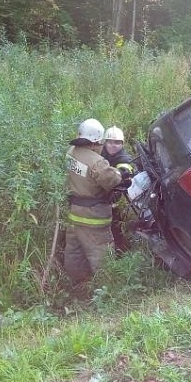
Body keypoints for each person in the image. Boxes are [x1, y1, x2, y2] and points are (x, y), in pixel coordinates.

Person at [63, 118, 129, 286]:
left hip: (74, 212)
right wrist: (121, 174)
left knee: (74, 252)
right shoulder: (96, 162)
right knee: (101, 254)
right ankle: (107, 289)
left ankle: (77, 285)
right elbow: (111, 181)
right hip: (93, 217)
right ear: (96, 142)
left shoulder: (70, 152)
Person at [100, 126, 136, 253]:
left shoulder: (124, 158)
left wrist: (119, 173)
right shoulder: (100, 154)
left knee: (116, 227)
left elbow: (125, 170)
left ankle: (120, 251)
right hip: (99, 199)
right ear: (105, 142)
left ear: (122, 144)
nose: (113, 145)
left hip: (117, 201)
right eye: (110, 142)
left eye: (117, 143)